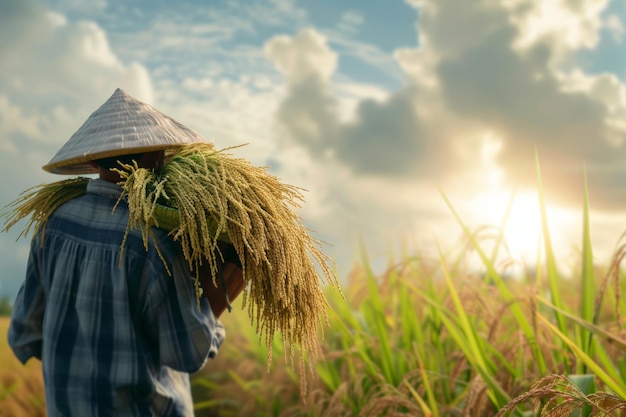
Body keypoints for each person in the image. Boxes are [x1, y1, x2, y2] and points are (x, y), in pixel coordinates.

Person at [7, 88, 244, 416]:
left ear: (91, 160)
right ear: (157, 158)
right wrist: (221, 294)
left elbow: (24, 332)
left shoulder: (54, 224)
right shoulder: (153, 243)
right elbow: (188, 352)